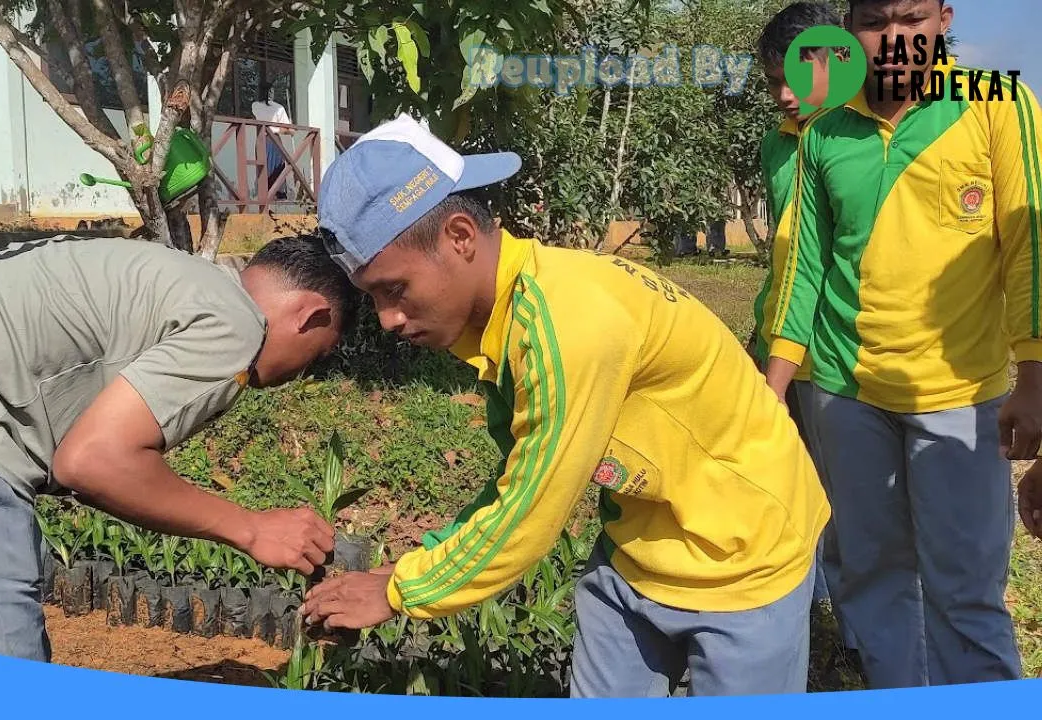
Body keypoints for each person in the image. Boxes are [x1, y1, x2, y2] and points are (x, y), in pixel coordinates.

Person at [299, 115, 830, 697]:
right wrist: (414, 566)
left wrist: (402, 590)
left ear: (459, 236)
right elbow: (516, 474)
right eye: (373, 296)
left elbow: (531, 508)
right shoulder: (508, 314)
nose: (388, 319)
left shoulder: (565, 327)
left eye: (395, 290)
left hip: (744, 556)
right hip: (638, 548)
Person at [0, 234, 355, 662]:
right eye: (315, 357)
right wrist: (253, 527)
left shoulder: (176, 280)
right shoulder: (237, 321)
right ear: (309, 315)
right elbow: (93, 462)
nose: (299, 376)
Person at [765, 0, 1040, 687]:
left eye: (911, 18)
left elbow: (1029, 247)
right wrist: (772, 391)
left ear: (943, 18)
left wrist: (1034, 377)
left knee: (966, 594)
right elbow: (803, 267)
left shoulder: (997, 102)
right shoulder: (825, 123)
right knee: (873, 582)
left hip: (960, 394)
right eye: (873, 19)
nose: (893, 39)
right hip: (842, 392)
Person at [752, 0, 857, 653]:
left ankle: (853, 633)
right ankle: (811, 615)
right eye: (771, 81)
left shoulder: (858, 139)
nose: (784, 93)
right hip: (777, 346)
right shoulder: (775, 146)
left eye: (797, 74)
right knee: (784, 485)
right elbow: (790, 258)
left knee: (845, 501)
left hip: (838, 356)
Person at [252, 82, 294, 200]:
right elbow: (289, 130)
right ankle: (275, 193)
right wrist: (288, 127)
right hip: (273, 139)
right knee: (273, 167)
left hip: (264, 139)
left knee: (267, 167)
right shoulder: (278, 108)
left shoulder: (255, 105)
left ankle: (265, 194)